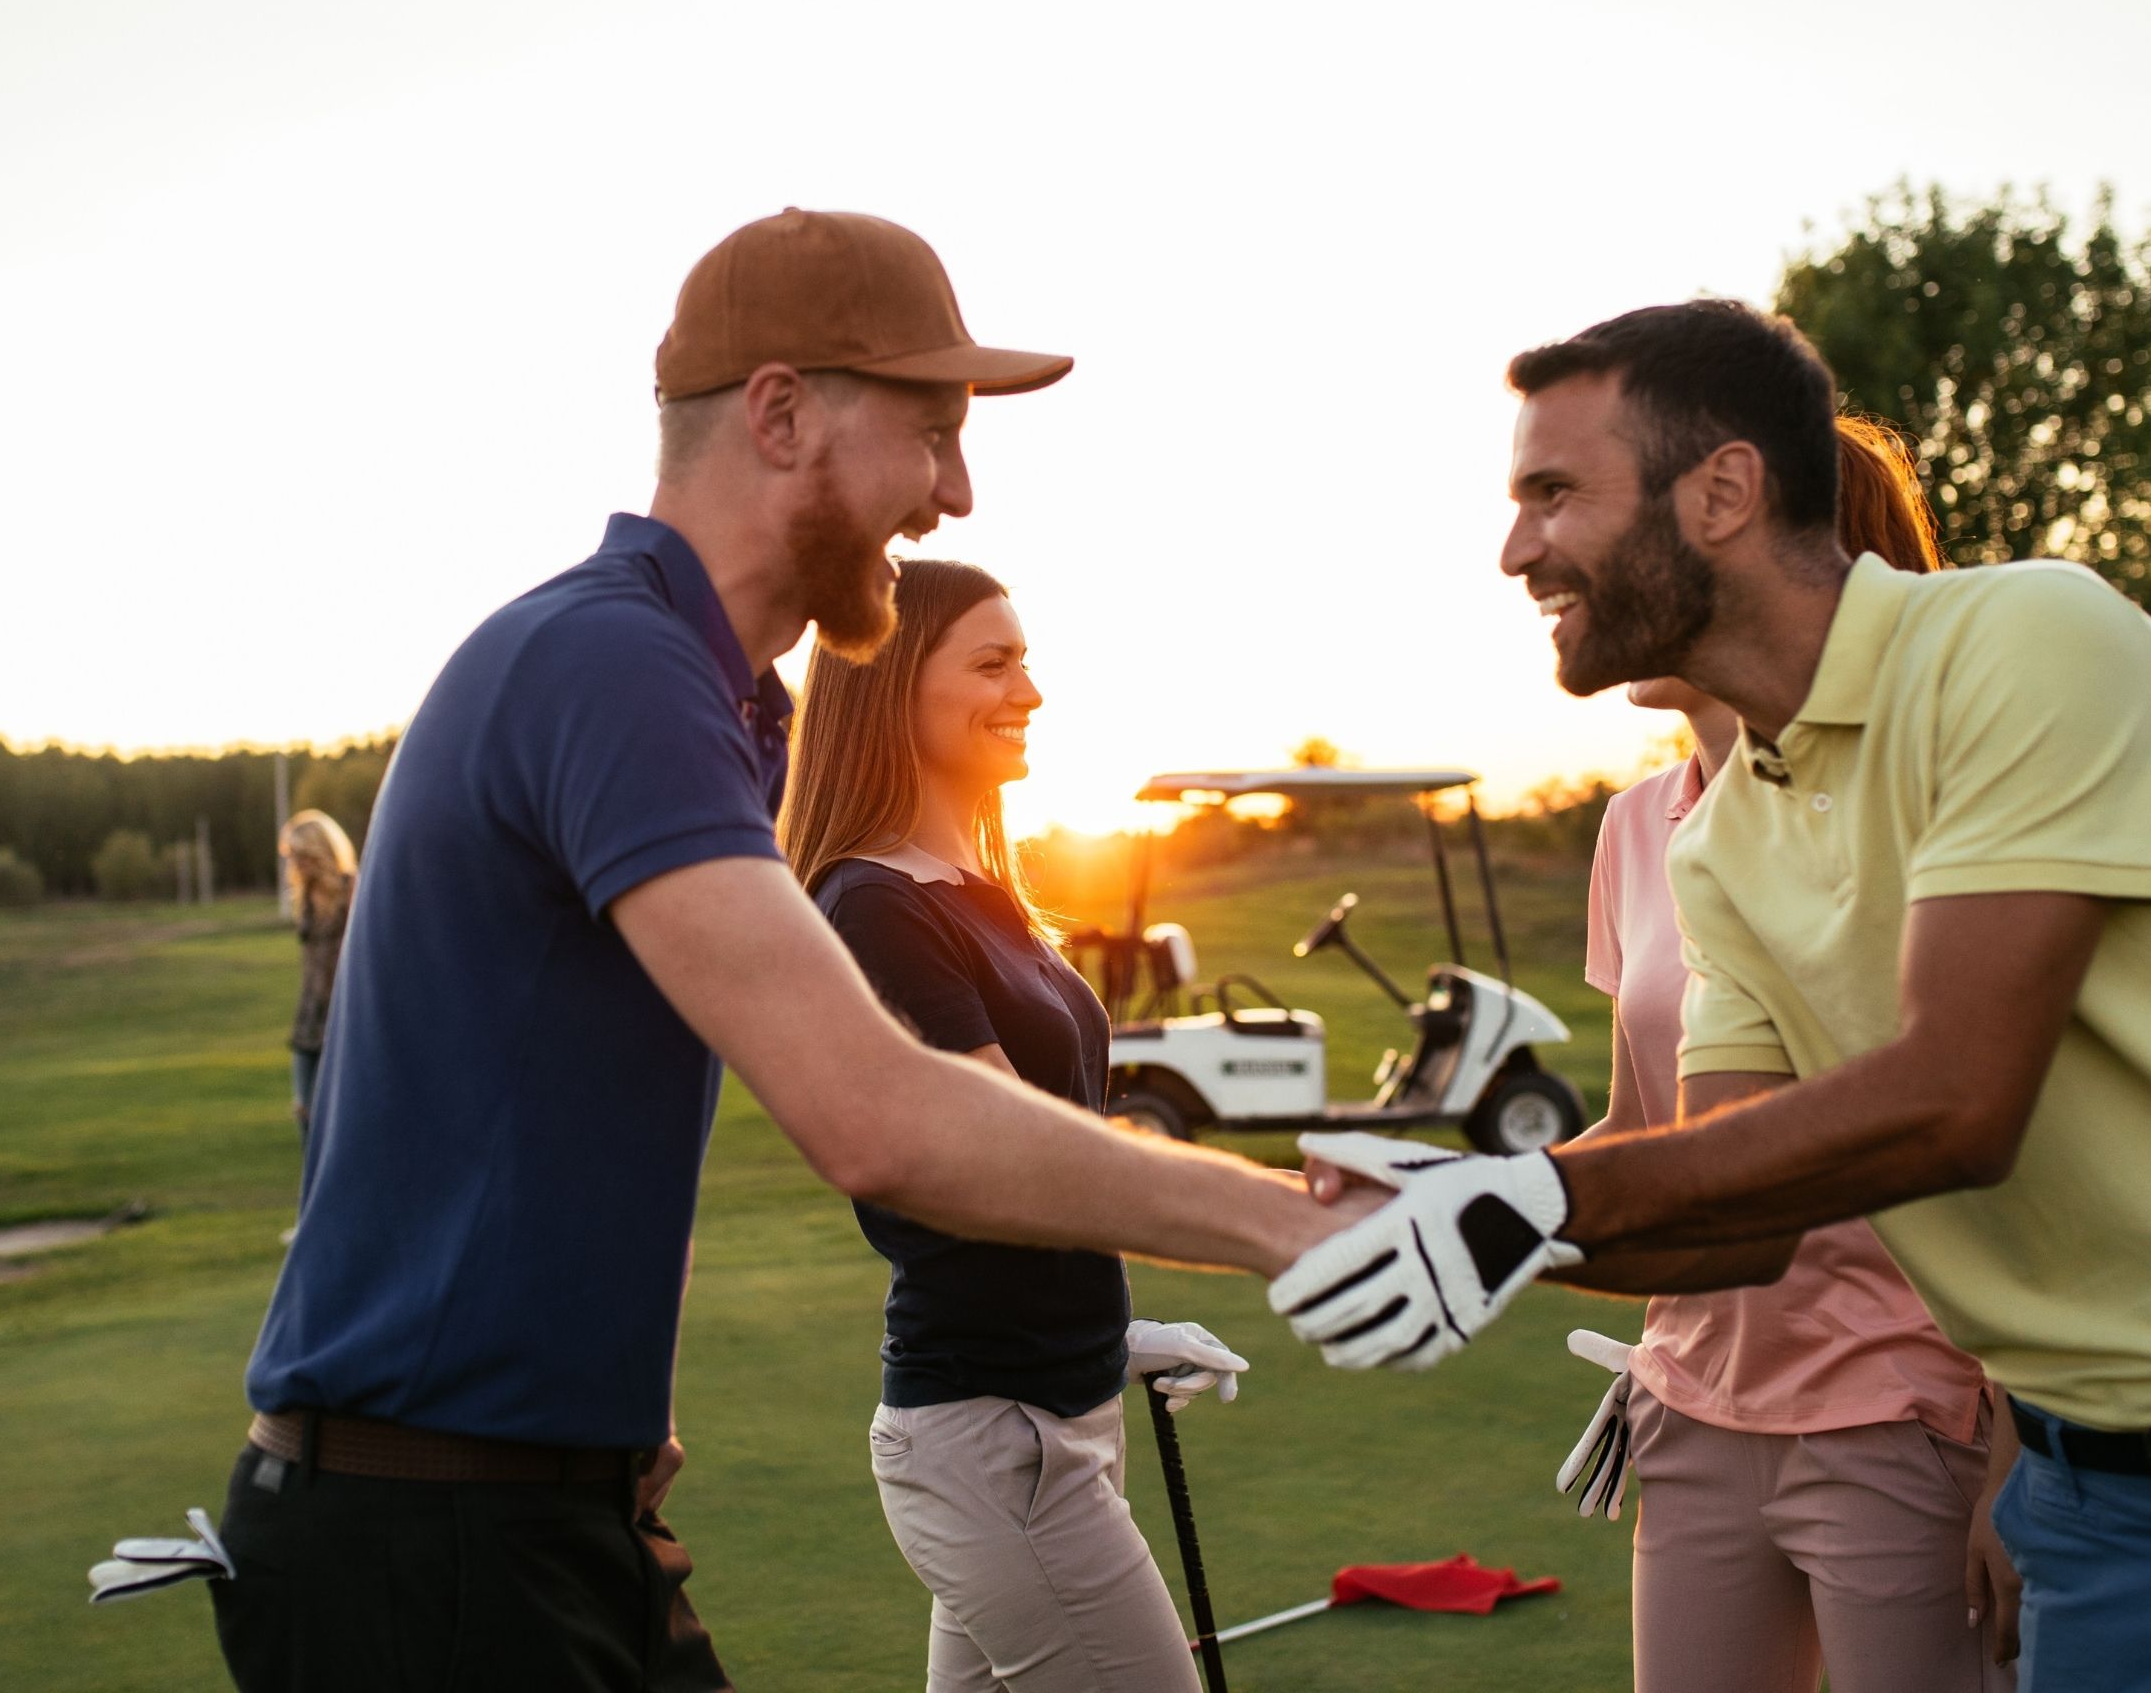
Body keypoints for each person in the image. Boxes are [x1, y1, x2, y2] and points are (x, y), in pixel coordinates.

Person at [213, 209, 1362, 1693]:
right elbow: (879, 1117)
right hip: (426, 1547)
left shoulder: (706, 696)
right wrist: (1289, 1223)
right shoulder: (611, 665)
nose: (955, 491)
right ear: (778, 413)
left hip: (535, 1508)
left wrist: (608, 1414)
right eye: (930, 433)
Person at [1271, 299, 2151, 1691]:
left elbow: (1957, 1101)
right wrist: (1454, 1199)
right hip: (2103, 1516)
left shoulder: (2025, 639)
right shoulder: (1717, 844)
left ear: (1722, 490)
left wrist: (1533, 1205)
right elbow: (1733, 1215)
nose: (1516, 549)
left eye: (1553, 494)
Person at [1569, 415, 2013, 1693]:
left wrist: (2018, 1449)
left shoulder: (1925, 813)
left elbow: (2003, 1146)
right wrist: (1450, 1203)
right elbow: (1643, 1130)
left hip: (1899, 1406)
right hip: (1692, 1400)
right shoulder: (1635, 829)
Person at [780, 557, 1251, 1693]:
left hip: (1050, 1417)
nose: (1028, 690)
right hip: (999, 1444)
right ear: (892, 687)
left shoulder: (979, 890)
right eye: (993, 662)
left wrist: (1112, 1331)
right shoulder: (874, 905)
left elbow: (1040, 1179)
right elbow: (1012, 1165)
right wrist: (1277, 1217)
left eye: (1027, 660)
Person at [275, 808, 356, 1134]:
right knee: (304, 1118)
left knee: (338, 1127)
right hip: (308, 1025)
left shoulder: (353, 891)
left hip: (343, 1025)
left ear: (318, 852)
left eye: (301, 855)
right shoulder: (305, 897)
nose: (294, 863)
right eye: (291, 855)